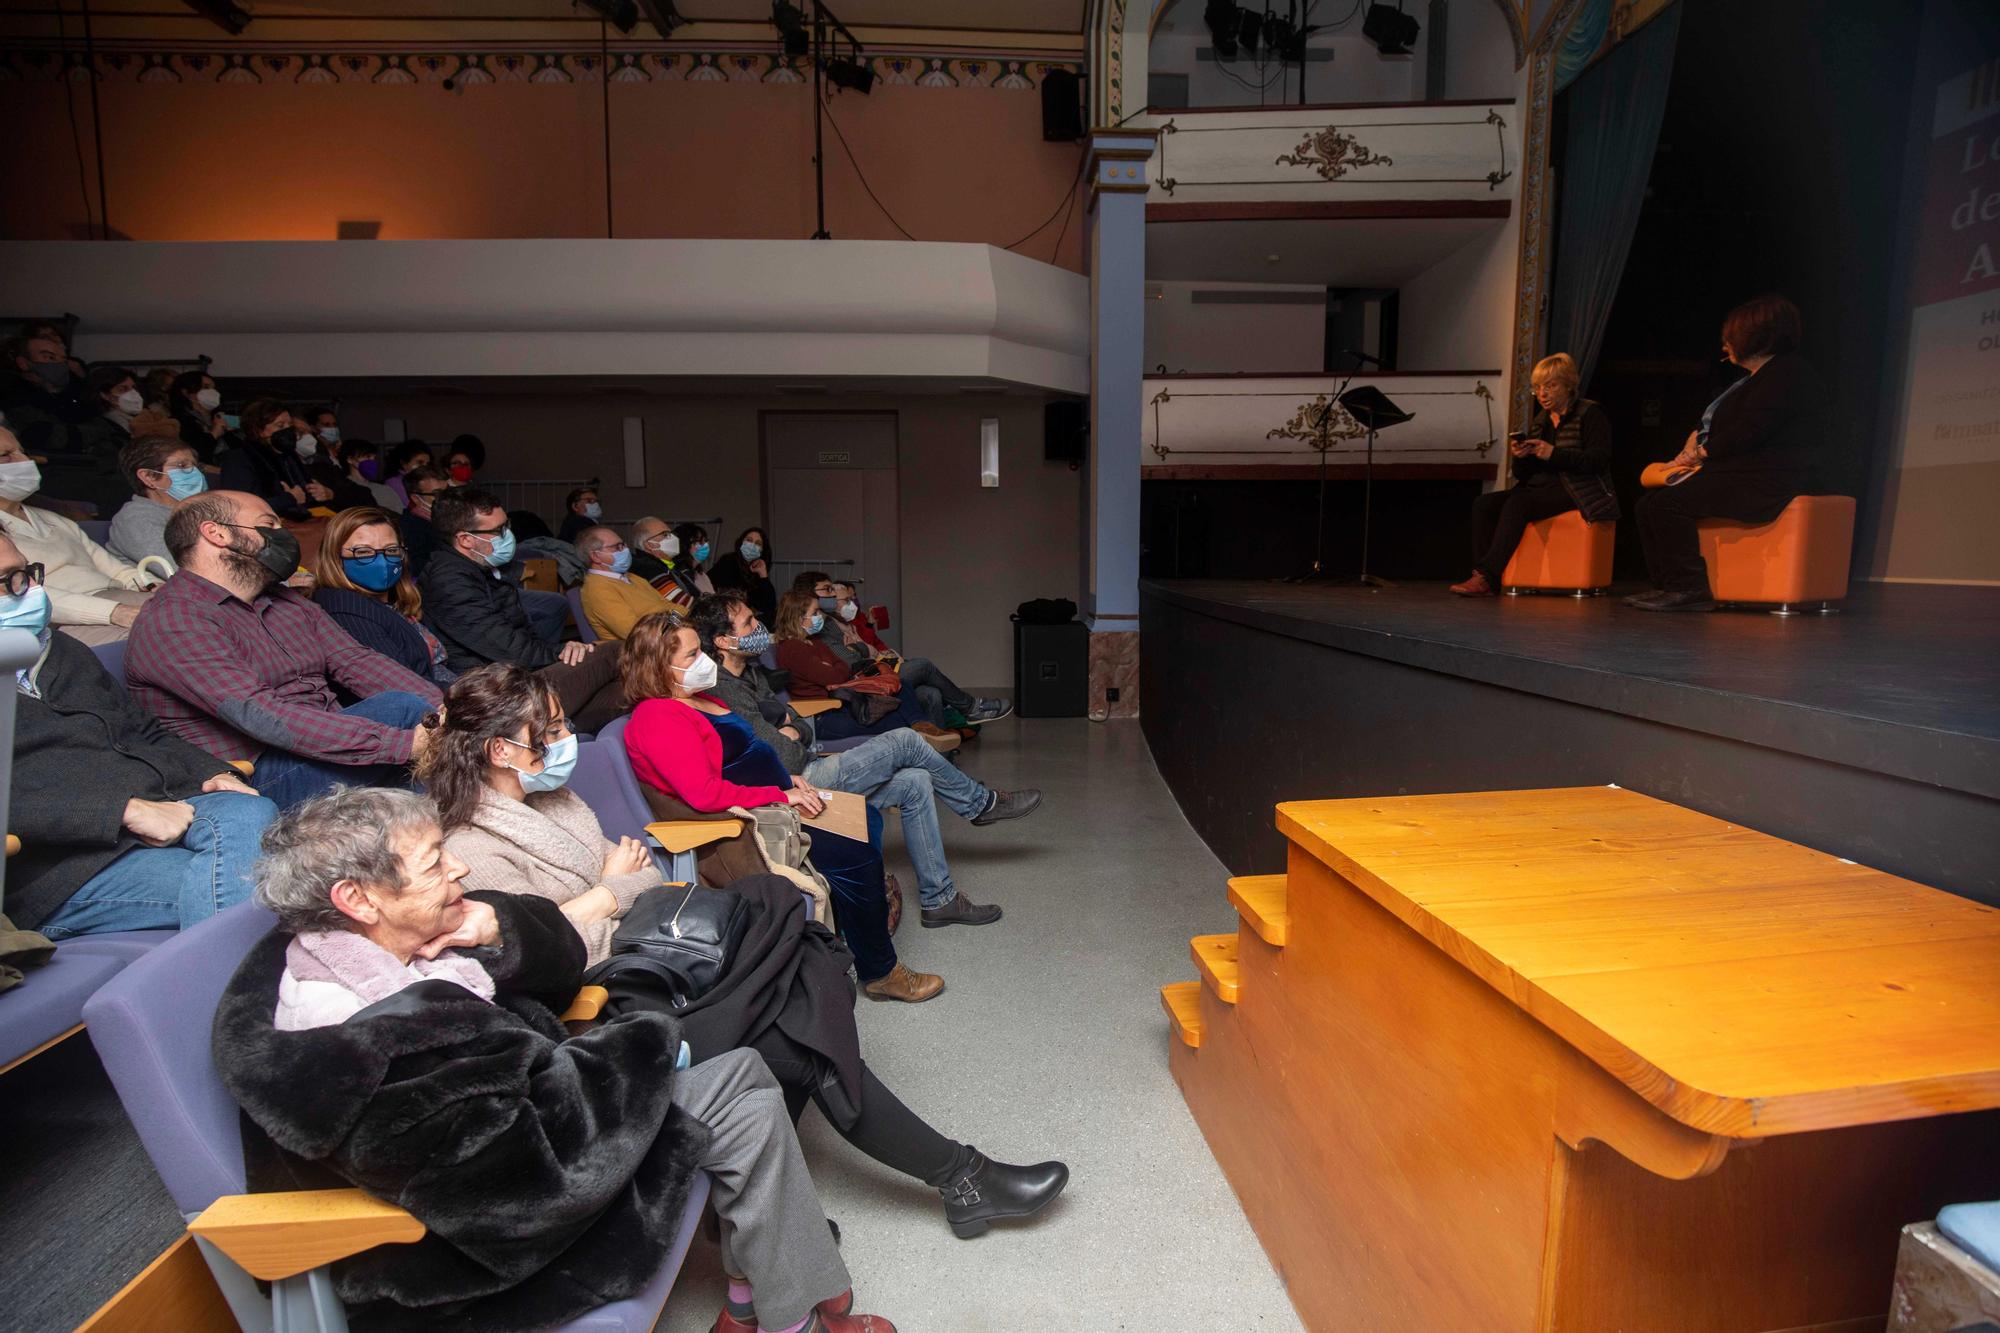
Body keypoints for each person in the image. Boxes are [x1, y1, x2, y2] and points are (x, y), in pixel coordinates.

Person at [213, 787, 896, 1333]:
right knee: (742, 1088)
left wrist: (492, 926)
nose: (456, 868)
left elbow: (562, 974)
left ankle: (766, 1307)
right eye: (433, 862)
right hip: (487, 1243)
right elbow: (520, 1169)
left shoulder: (389, 947)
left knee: (744, 1077)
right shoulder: (355, 1038)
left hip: (533, 1141)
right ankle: (776, 1307)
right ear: (357, 900)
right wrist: (650, 1044)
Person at [427, 663, 1071, 1236]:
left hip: (651, 957)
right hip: (608, 1004)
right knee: (801, 1028)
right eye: (551, 730)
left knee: (803, 960)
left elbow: (642, 874)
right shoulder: (472, 846)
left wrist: (604, 894)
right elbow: (544, 956)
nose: (565, 741)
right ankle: (958, 1179)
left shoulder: (555, 799)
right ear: (501, 749)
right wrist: (606, 895)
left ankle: (767, 1203)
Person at [617, 611, 941, 1002]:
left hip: (770, 799)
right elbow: (704, 794)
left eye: (700, 650)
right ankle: (880, 972)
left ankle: (854, 929)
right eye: (691, 656)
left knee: (865, 817)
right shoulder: (658, 716)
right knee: (854, 853)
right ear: (658, 667)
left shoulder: (695, 699)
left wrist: (787, 781)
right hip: (746, 825)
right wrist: (779, 795)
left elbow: (743, 758)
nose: (703, 660)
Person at [696, 592, 1036, 929]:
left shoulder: (750, 672)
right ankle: (980, 804)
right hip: (794, 785)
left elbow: (796, 721)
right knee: (905, 740)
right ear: (724, 640)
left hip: (806, 766)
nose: (759, 627)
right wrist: (791, 732)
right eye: (749, 622)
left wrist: (793, 729)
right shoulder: (724, 690)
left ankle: (940, 900)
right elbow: (781, 756)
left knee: (916, 782)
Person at [0, 532, 277, 939]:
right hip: (58, 870)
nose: (28, 591)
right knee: (276, 883)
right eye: (5, 581)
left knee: (253, 812)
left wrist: (214, 772)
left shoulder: (57, 648)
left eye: (24, 574)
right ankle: (219, 999)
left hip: (161, 811)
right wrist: (122, 810)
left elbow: (142, 729)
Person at [123, 490, 443, 807]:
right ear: (216, 533)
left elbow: (355, 660)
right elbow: (261, 714)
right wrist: (400, 744)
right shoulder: (175, 619)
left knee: (423, 712)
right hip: (256, 775)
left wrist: (450, 710)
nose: (283, 536)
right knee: (401, 711)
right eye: (269, 525)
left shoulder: (284, 600)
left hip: (322, 744)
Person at [1629, 295, 1827, 611]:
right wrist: (1694, 442)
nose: (1725, 345)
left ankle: (1689, 588)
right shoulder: (1752, 380)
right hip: (1739, 473)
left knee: (1667, 504)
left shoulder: (1788, 373)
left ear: (1758, 336)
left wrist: (1702, 453)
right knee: (1647, 505)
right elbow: (1723, 423)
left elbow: (1753, 428)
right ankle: (1668, 586)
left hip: (1766, 479)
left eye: (1731, 337)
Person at [418, 487, 626, 733]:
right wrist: (562, 651)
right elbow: (508, 647)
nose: (508, 535)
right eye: (498, 531)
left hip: (514, 676)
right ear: (465, 539)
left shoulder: (484, 569)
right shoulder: (449, 579)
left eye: (507, 525)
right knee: (613, 652)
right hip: (497, 691)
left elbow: (523, 635)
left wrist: (565, 650)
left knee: (628, 690)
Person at [1449, 353, 1618, 598]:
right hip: (1544, 487)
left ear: (1568, 385)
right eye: (1538, 388)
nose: (1543, 393)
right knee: (1484, 503)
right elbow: (1524, 475)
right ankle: (1484, 577)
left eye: (1550, 386)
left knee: (1520, 502)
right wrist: (1521, 456)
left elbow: (1599, 460)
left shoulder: (1590, 413)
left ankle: (1487, 576)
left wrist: (1553, 454)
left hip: (1579, 487)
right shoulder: (1541, 420)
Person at [0, 426, 160, 644]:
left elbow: (116, 570)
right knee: (163, 635)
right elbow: (24, 596)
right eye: (6, 456)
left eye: (22, 452)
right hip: (59, 622)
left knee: (196, 614)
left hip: (115, 598)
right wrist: (115, 612)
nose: (25, 461)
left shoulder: (55, 519)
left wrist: (154, 586)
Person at [796, 571, 1011, 730]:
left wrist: (859, 648)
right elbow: (849, 662)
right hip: (861, 685)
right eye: (827, 589)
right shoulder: (820, 626)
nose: (832, 594)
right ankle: (971, 707)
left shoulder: (833, 621)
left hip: (871, 674)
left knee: (931, 694)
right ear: (808, 595)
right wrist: (861, 648)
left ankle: (943, 766)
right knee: (923, 665)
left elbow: (861, 650)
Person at [772, 589, 955, 749]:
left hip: (843, 703)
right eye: (815, 612)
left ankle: (924, 729)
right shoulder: (792, 648)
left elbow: (842, 667)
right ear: (798, 617)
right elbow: (834, 676)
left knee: (903, 685)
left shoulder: (814, 642)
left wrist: (833, 667)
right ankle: (927, 734)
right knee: (906, 720)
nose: (820, 616)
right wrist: (833, 668)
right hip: (823, 716)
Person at [311, 505, 457, 685]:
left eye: (391, 550)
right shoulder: (346, 607)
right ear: (335, 557)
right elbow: (403, 684)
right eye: (363, 552)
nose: (381, 561)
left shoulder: (395, 600)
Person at [108, 423, 207, 572]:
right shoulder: (136, 519)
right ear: (148, 477)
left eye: (196, 466)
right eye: (181, 466)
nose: (195, 473)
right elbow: (188, 573)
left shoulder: (199, 511)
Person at [217, 399, 332, 520]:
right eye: (280, 425)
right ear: (259, 431)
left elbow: (307, 493)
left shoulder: (290, 456)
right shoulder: (238, 459)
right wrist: (289, 499)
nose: (288, 430)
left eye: (290, 425)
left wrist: (326, 494)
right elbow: (239, 507)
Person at [575, 524, 670, 641]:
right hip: (647, 651)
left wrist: (689, 621)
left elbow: (667, 604)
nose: (626, 550)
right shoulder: (597, 590)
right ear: (596, 556)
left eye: (623, 544)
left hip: (668, 636)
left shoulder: (633, 578)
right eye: (617, 547)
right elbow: (636, 634)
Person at [708, 525, 779, 624]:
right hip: (725, 613)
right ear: (741, 542)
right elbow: (728, 595)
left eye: (758, 543)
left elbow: (769, 605)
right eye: (749, 540)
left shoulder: (756, 569)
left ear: (762, 550)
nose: (752, 545)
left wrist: (763, 574)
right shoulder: (728, 561)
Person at [72, 364, 142, 463]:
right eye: (122, 389)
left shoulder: (140, 419)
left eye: (133, 388)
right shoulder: (102, 424)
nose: (133, 394)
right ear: (104, 394)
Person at [396, 464, 451, 575]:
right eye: (437, 494)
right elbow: (415, 568)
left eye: (447, 492)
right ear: (416, 498)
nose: (445, 498)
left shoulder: (452, 521)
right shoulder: (409, 529)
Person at [168, 369, 231, 463]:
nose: (212, 392)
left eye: (213, 388)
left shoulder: (218, 416)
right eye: (206, 387)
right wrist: (214, 433)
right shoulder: (179, 421)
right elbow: (196, 454)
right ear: (186, 392)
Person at [338, 439, 405, 512]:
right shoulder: (342, 490)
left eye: (374, 458)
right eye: (367, 457)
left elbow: (402, 516)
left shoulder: (385, 490)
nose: (372, 461)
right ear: (350, 459)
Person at [384, 441, 433, 508]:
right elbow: (410, 506)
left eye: (427, 464)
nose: (425, 467)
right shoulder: (394, 482)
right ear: (404, 463)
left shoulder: (424, 479)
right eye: (420, 462)